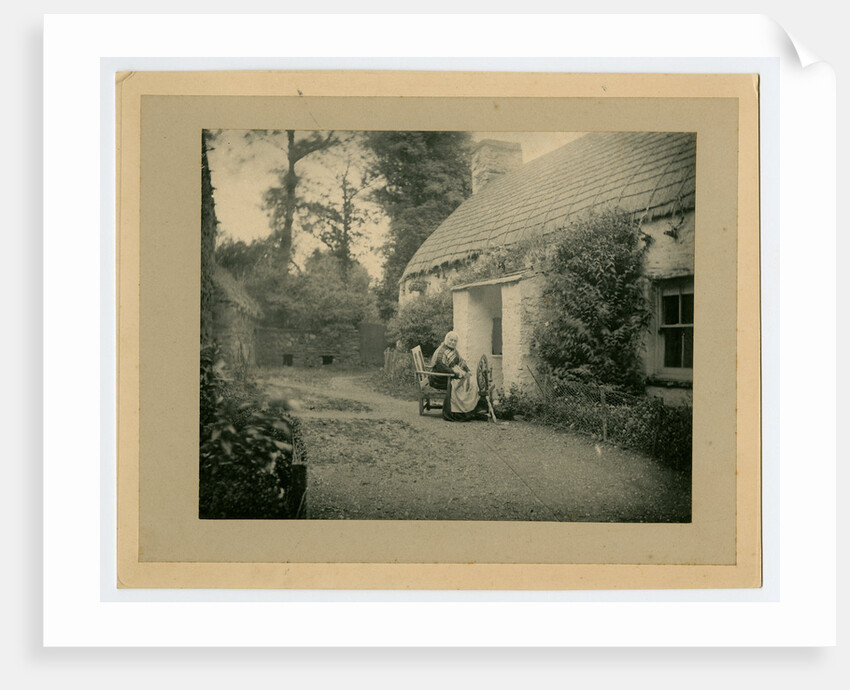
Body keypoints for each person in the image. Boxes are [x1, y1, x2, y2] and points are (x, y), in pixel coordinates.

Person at [429, 331, 488, 422]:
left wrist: (467, 370)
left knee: (470, 382)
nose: (453, 342)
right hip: (440, 378)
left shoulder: (453, 350)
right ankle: (458, 412)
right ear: (446, 339)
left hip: (449, 375)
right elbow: (441, 367)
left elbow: (461, 362)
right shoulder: (441, 352)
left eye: (455, 341)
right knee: (461, 386)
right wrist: (456, 374)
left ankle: (471, 409)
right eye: (451, 340)